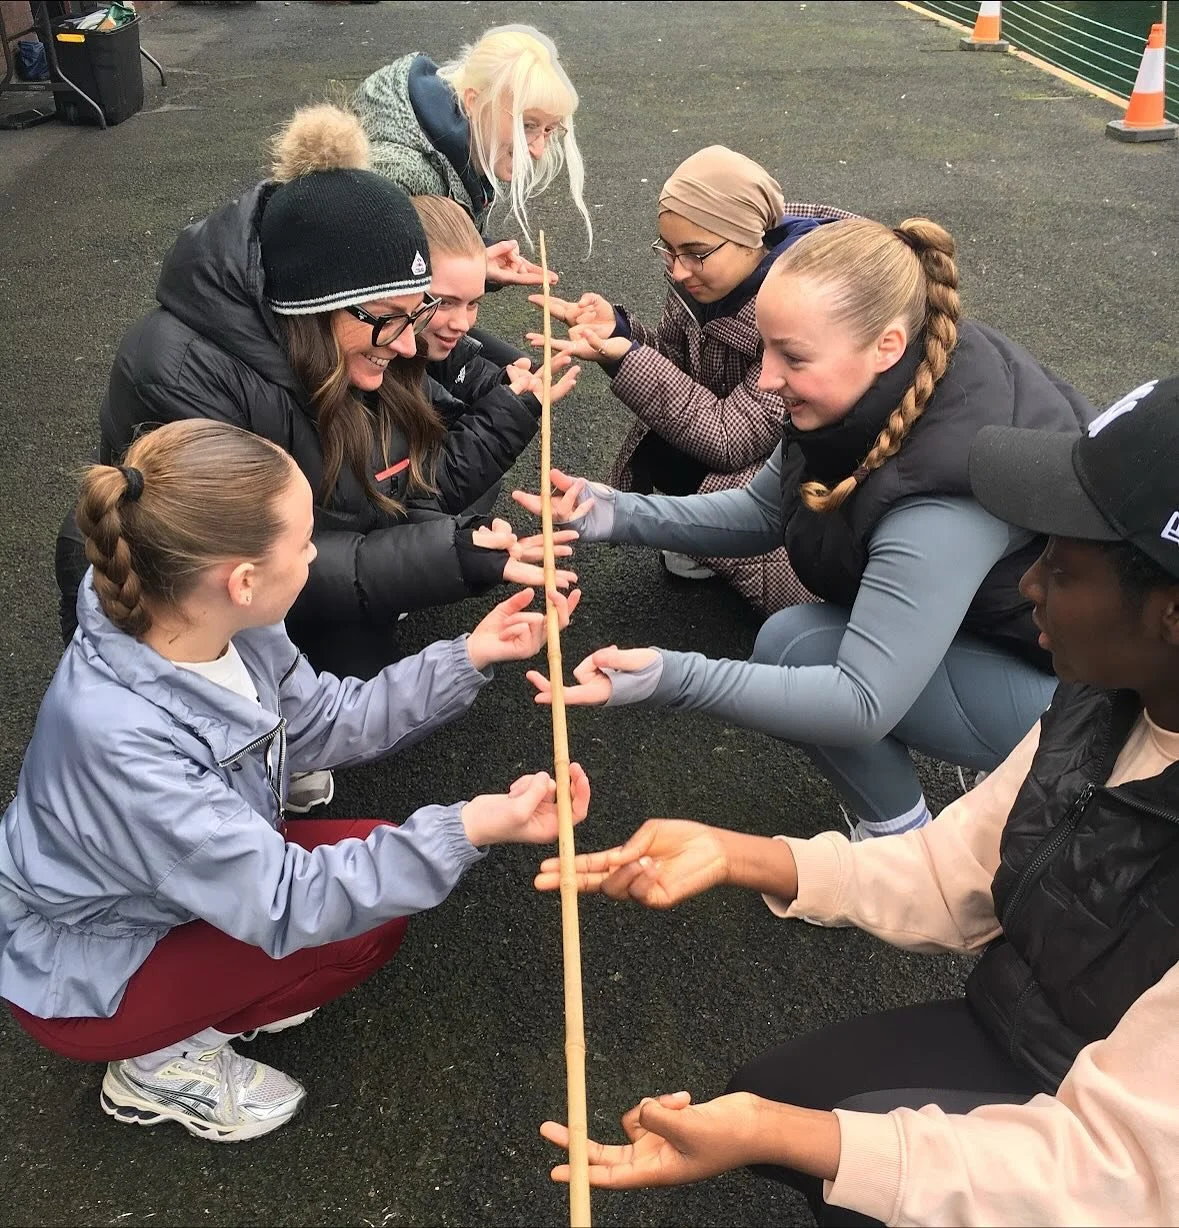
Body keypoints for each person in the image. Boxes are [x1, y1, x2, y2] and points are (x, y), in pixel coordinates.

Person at [536, 375, 1179, 1227]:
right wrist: (739, 854)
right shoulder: (1106, 695)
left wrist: (790, 1136)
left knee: (842, 1173)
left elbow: (1113, 1174)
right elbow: (961, 866)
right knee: (776, 1101)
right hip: (1038, 1032)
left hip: (1127, 1157)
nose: (1027, 587)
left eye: (1059, 568)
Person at [4, 418, 589, 1145]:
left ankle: (221, 999)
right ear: (243, 579)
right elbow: (289, 902)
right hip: (85, 974)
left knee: (367, 891)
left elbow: (321, 722)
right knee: (351, 928)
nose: (315, 554)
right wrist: (473, 824)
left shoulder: (213, 621)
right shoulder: (123, 743)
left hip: (153, 895)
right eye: (305, 540)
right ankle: (152, 1064)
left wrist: (468, 654)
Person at [515, 217, 1093, 840]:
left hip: (1094, 704)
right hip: (1022, 636)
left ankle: (900, 849)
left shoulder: (942, 495)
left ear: (886, 346)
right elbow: (766, 513)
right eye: (766, 347)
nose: (764, 378)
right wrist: (614, 512)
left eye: (791, 356)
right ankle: (910, 829)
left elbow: (859, 706)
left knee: (799, 649)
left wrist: (670, 674)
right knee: (796, 637)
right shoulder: (885, 373)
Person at [55, 104, 572, 701]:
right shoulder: (182, 376)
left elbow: (389, 486)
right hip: (197, 594)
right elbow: (256, 562)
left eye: (417, 315)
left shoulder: (348, 339)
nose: (409, 345)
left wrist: (453, 547)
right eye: (392, 321)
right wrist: (443, 557)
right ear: (315, 308)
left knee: (367, 647)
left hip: (280, 553)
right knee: (351, 672)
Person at [527, 146, 851, 611]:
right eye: (669, 250)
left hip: (812, 470)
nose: (679, 270)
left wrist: (629, 360)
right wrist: (619, 335)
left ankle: (805, 593)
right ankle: (709, 540)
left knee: (742, 500)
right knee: (663, 438)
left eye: (696, 254)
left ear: (750, 237)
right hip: (760, 445)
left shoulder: (804, 307)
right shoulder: (697, 280)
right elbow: (679, 368)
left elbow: (731, 437)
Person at [353, 24, 591, 366]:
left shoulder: (457, 149)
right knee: (509, 394)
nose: (538, 149)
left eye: (549, 130)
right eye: (527, 125)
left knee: (516, 382)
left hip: (414, 321)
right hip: (375, 342)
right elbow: (376, 306)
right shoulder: (400, 174)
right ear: (473, 101)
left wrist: (477, 262)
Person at [412, 192, 580, 514]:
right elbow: (418, 493)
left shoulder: (419, 342)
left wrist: (505, 391)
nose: (463, 324)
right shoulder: (374, 368)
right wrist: (505, 417)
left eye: (473, 302)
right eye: (443, 302)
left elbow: (453, 372)